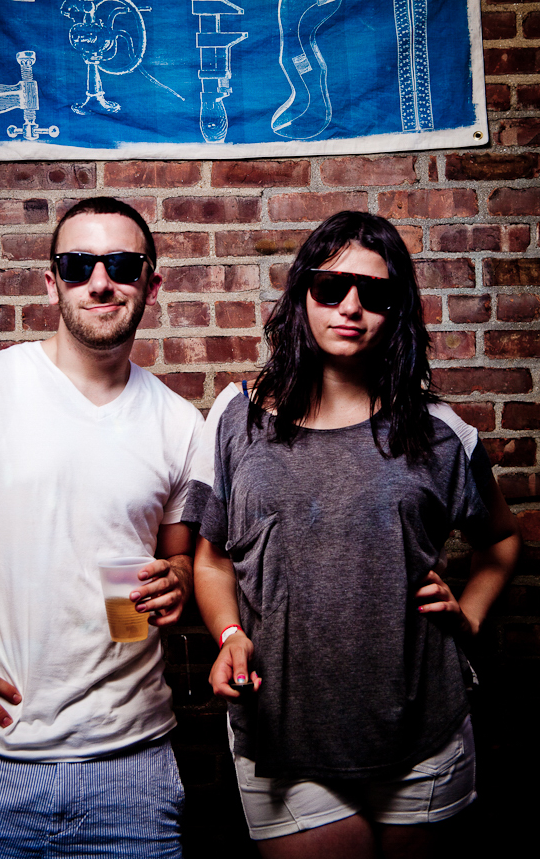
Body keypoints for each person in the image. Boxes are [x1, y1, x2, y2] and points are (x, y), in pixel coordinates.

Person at [0, 196, 204, 858]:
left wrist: (178, 578)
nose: (100, 282)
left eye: (122, 265)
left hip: (130, 772)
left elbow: (179, 561)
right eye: (79, 265)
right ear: (52, 283)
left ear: (152, 284)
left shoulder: (179, 423)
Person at [186, 211, 519, 859]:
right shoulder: (236, 415)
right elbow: (210, 561)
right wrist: (228, 635)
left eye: (375, 293)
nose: (350, 307)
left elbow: (502, 541)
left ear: (398, 310)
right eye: (330, 287)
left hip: (421, 724)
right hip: (282, 729)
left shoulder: (440, 431)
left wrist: (470, 616)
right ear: (301, 295)